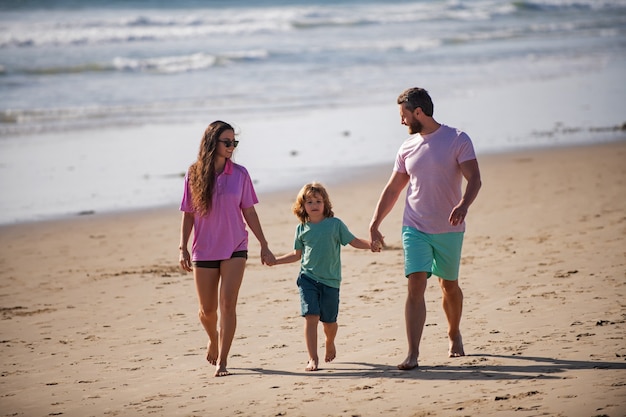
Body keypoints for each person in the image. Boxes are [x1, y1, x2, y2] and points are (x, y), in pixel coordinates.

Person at [369, 87, 482, 370]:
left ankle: (454, 332)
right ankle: (413, 353)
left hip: (449, 228)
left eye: (404, 115)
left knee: (449, 286)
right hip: (414, 226)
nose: (402, 121)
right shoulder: (407, 148)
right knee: (415, 284)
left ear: (418, 112)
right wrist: (375, 222)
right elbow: (394, 188)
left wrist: (464, 204)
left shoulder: (457, 139)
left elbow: (475, 179)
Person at [179, 120, 275, 377]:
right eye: (227, 142)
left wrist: (264, 244)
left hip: (235, 246)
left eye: (234, 142)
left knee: (228, 304)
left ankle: (223, 360)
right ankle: (213, 337)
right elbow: (188, 214)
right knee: (207, 311)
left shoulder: (240, 174)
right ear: (213, 142)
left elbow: (249, 211)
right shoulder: (194, 174)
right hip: (204, 249)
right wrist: (183, 247)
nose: (232, 146)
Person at [266, 182, 380, 371]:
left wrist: (370, 245)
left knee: (329, 322)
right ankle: (313, 358)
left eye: (318, 201)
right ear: (302, 206)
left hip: (331, 281)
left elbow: (353, 241)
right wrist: (276, 261)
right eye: (309, 201)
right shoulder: (301, 228)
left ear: (325, 203)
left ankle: (330, 341)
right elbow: (296, 255)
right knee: (311, 316)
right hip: (308, 279)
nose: (314, 205)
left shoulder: (335, 225)